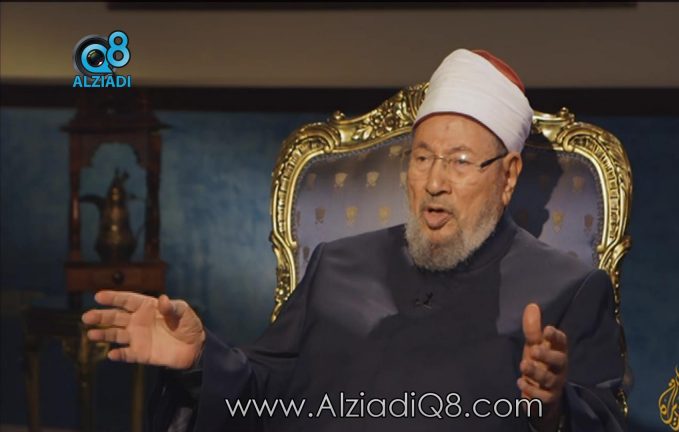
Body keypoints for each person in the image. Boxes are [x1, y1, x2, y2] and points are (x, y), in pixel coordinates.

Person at [82, 49, 627, 432]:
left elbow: (601, 417)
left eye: (460, 162)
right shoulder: (337, 264)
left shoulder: (569, 289)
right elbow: (264, 390)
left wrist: (552, 409)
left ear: (507, 177)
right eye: (422, 158)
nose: (434, 182)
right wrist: (201, 358)